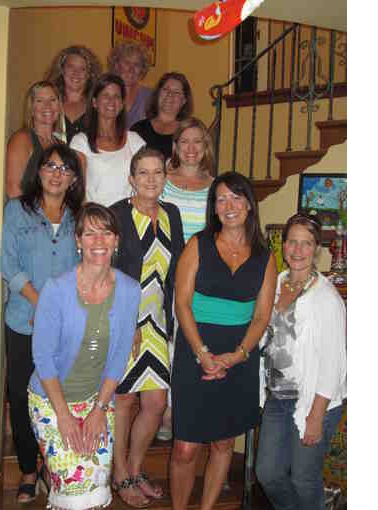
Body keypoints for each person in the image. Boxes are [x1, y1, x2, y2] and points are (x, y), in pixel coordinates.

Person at [169, 172, 277, 510]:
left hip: (240, 357)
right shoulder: (197, 245)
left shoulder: (265, 256)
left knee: (223, 444)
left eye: (236, 197)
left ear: (249, 204)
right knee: (185, 447)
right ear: (214, 208)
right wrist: (202, 353)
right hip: (195, 351)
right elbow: (182, 304)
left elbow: (261, 316)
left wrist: (239, 354)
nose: (229, 205)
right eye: (221, 199)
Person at [28, 203, 141, 510]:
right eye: (89, 234)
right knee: (74, 494)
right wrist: (64, 416)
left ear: (116, 240)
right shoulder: (56, 289)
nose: (99, 241)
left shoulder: (130, 290)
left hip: (97, 400)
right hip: (51, 401)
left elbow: (120, 356)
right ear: (78, 241)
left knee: (97, 491)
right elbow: (43, 358)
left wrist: (99, 409)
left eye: (106, 233)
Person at [0, 143, 85, 503]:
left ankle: (53, 467)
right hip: (24, 320)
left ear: (74, 179)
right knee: (20, 397)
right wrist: (41, 302)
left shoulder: (79, 217)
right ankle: (28, 470)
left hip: (65, 324)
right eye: (50, 166)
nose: (56, 174)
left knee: (57, 396)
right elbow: (8, 264)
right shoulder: (17, 210)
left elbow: (85, 269)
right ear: (38, 170)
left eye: (64, 169)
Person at [255, 213, 347, 510]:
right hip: (278, 398)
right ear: (283, 246)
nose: (298, 250)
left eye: (306, 243)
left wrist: (316, 417)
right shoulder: (275, 283)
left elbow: (333, 365)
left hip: (314, 401)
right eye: (292, 242)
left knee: (303, 479)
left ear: (316, 249)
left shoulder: (326, 299)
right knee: (267, 474)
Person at [109, 147, 185, 507]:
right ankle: (120, 473)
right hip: (123, 319)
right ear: (131, 178)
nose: (151, 179)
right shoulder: (116, 215)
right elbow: (105, 272)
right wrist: (125, 322)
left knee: (155, 402)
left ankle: (136, 469)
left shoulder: (172, 214)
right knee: (123, 400)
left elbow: (178, 268)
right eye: (143, 172)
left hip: (156, 321)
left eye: (157, 172)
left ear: (165, 178)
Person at [156, 117, 215, 442]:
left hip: (201, 276)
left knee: (190, 340)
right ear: (175, 147)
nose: (191, 148)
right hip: (165, 273)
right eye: (185, 142)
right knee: (167, 341)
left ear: (206, 147)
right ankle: (166, 410)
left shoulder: (215, 186)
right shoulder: (162, 182)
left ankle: (180, 408)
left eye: (198, 141)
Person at [70, 73, 146, 207]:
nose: (111, 101)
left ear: (122, 104)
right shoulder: (80, 143)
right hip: (95, 217)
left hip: (130, 215)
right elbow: (78, 193)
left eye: (116, 96)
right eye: (105, 96)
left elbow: (144, 185)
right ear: (94, 102)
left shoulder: (135, 141)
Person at [5, 80, 66, 198]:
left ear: (59, 107)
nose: (47, 106)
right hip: (25, 209)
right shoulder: (22, 139)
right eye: (40, 101)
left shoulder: (62, 145)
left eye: (52, 100)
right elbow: (13, 189)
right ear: (31, 109)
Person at [130, 72, 193, 162]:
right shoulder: (138, 129)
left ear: (184, 100)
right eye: (166, 89)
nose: (170, 94)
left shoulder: (189, 131)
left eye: (177, 92)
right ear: (158, 94)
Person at [46, 45, 103, 143]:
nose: (76, 73)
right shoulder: (48, 104)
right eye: (71, 67)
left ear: (89, 74)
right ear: (62, 70)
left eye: (82, 69)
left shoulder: (98, 106)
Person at [107, 42, 152, 129]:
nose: (131, 69)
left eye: (136, 64)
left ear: (142, 69)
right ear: (116, 65)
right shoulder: (104, 92)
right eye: (127, 63)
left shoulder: (150, 96)